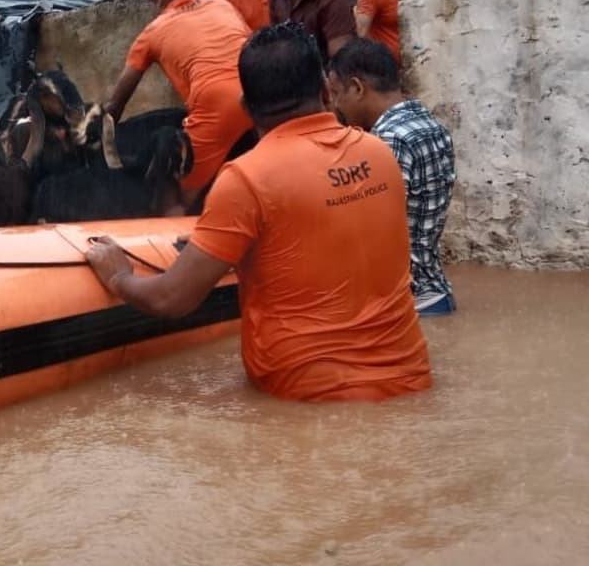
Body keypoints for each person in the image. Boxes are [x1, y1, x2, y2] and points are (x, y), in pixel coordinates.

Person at [86, 22, 433, 403]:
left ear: (246, 108)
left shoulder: (246, 179)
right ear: (323, 89)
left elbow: (172, 299)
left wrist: (118, 277)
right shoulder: (379, 154)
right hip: (411, 379)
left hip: (304, 399)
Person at [103, 0, 255, 214]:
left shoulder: (152, 31)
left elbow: (117, 103)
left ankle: (170, 244)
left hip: (216, 103)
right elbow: (251, 46)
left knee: (175, 194)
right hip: (261, 91)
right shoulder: (222, 6)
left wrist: (101, 139)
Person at [326, 38, 457, 316]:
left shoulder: (387, 140)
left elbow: (371, 231)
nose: (337, 106)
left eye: (337, 93)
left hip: (405, 305)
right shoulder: (432, 126)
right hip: (434, 293)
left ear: (358, 88)